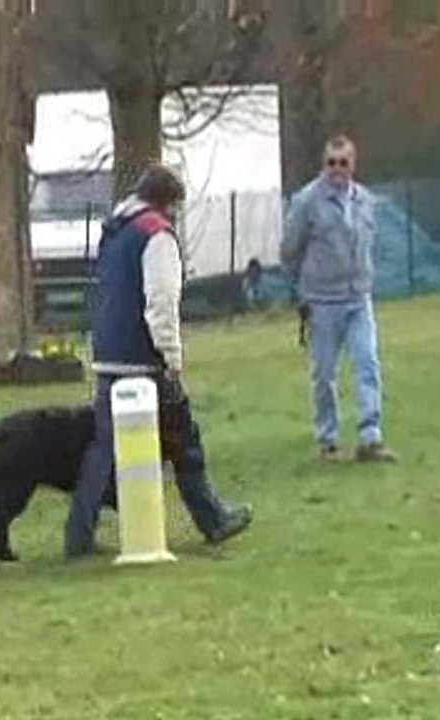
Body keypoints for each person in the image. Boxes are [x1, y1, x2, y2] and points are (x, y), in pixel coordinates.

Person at [64, 163, 253, 558]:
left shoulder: (114, 231)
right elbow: (161, 301)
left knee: (102, 451)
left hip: (107, 355)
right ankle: (214, 520)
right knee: (185, 441)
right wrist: (171, 355)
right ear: (170, 203)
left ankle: (78, 535)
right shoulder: (156, 235)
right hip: (142, 357)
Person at [281, 135, 397, 464]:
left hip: (358, 297)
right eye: (330, 163)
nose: (336, 170)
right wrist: (301, 293)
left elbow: (370, 243)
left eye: (342, 163)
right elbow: (289, 250)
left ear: (353, 165)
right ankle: (328, 440)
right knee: (324, 374)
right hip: (322, 301)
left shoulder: (364, 200)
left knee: (367, 364)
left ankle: (370, 438)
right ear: (323, 164)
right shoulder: (307, 202)